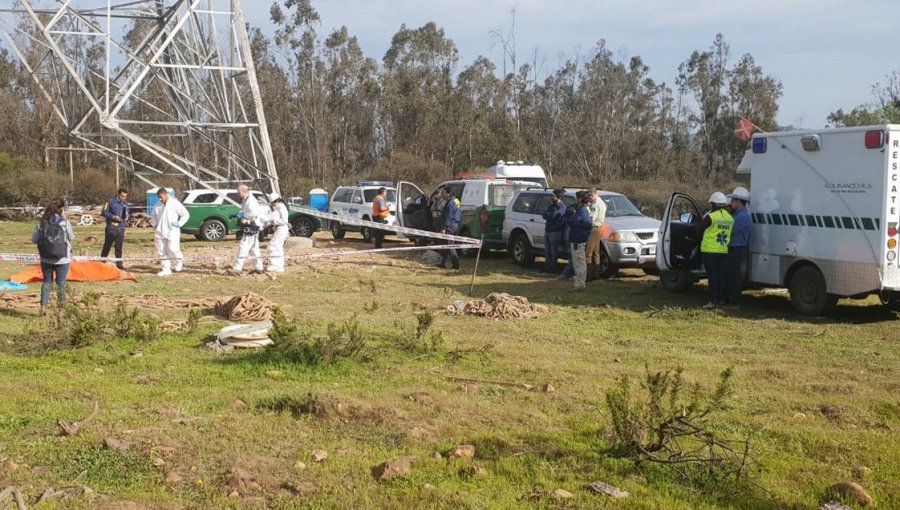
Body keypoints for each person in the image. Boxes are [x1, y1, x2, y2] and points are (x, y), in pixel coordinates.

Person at [32, 198, 75, 316]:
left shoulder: (41, 223)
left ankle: (43, 307)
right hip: (62, 258)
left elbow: (34, 239)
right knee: (61, 283)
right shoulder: (64, 222)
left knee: (47, 282)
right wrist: (65, 219)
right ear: (61, 209)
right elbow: (71, 237)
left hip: (46, 258)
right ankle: (61, 309)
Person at [697, 192, 734, 309]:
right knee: (721, 276)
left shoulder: (711, 216)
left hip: (709, 251)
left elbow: (698, 229)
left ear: (714, 204)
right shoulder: (730, 218)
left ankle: (712, 301)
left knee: (712, 277)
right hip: (723, 251)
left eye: (712, 204)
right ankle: (722, 300)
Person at [149, 188, 189, 277]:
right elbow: (153, 217)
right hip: (160, 231)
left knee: (173, 248)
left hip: (172, 231)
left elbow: (185, 214)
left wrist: (179, 224)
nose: (160, 199)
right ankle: (166, 269)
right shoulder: (157, 206)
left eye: (161, 197)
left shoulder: (175, 203)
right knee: (161, 251)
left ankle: (179, 260)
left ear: (165, 195)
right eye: (158, 197)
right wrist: (154, 225)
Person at [724, 186, 751, 309]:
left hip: (737, 249)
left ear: (739, 201)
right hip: (737, 248)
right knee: (732, 275)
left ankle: (734, 302)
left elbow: (729, 230)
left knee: (734, 276)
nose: (731, 202)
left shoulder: (741, 217)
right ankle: (731, 300)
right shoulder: (739, 215)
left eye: (733, 199)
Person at [231, 185, 265, 274]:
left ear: (244, 191)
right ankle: (259, 268)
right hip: (252, 226)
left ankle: (237, 268)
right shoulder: (247, 200)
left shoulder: (251, 200)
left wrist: (243, 216)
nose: (238, 194)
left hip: (251, 227)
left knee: (243, 246)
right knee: (254, 249)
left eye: (239, 192)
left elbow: (254, 213)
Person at [566, 191, 593, 291]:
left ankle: (580, 284)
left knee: (579, 263)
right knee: (578, 262)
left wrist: (570, 216)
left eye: (576, 198)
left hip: (578, 238)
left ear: (580, 199)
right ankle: (579, 280)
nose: (575, 200)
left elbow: (573, 221)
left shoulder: (582, 210)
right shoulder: (586, 208)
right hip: (580, 237)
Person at [100, 187, 129, 269]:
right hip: (111, 227)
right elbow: (103, 212)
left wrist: (127, 217)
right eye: (122, 196)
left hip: (121, 228)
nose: (124, 198)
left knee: (119, 247)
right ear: (118, 194)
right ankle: (102, 263)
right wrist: (113, 217)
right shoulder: (110, 201)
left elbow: (127, 213)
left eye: (125, 196)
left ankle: (119, 265)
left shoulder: (125, 204)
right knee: (107, 246)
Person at [541, 189, 568, 274]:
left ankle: (552, 267)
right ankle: (547, 265)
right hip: (548, 230)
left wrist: (548, 214)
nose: (551, 197)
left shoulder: (562, 207)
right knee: (547, 250)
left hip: (556, 232)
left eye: (553, 196)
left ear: (558, 197)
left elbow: (553, 215)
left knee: (553, 251)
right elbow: (544, 214)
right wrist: (548, 214)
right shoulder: (552, 206)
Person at [585, 188, 607, 280]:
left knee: (588, 252)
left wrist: (587, 209)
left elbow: (592, 217)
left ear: (592, 195)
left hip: (594, 228)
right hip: (599, 228)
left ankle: (588, 275)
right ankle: (596, 274)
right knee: (595, 252)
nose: (588, 199)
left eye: (588, 197)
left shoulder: (596, 204)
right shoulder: (601, 202)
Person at [438, 187, 462, 270]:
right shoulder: (456, 201)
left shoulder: (450, 203)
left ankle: (456, 265)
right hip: (455, 225)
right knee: (446, 244)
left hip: (450, 226)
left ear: (448, 193)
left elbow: (448, 216)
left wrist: (444, 228)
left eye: (444, 193)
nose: (443, 195)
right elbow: (459, 213)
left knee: (450, 245)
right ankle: (442, 263)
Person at [266, 193, 289, 272]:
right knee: (278, 248)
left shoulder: (281, 207)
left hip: (281, 229)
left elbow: (284, 220)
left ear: (274, 201)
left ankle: (275, 265)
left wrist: (274, 221)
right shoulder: (278, 207)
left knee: (272, 246)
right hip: (279, 229)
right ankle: (279, 266)